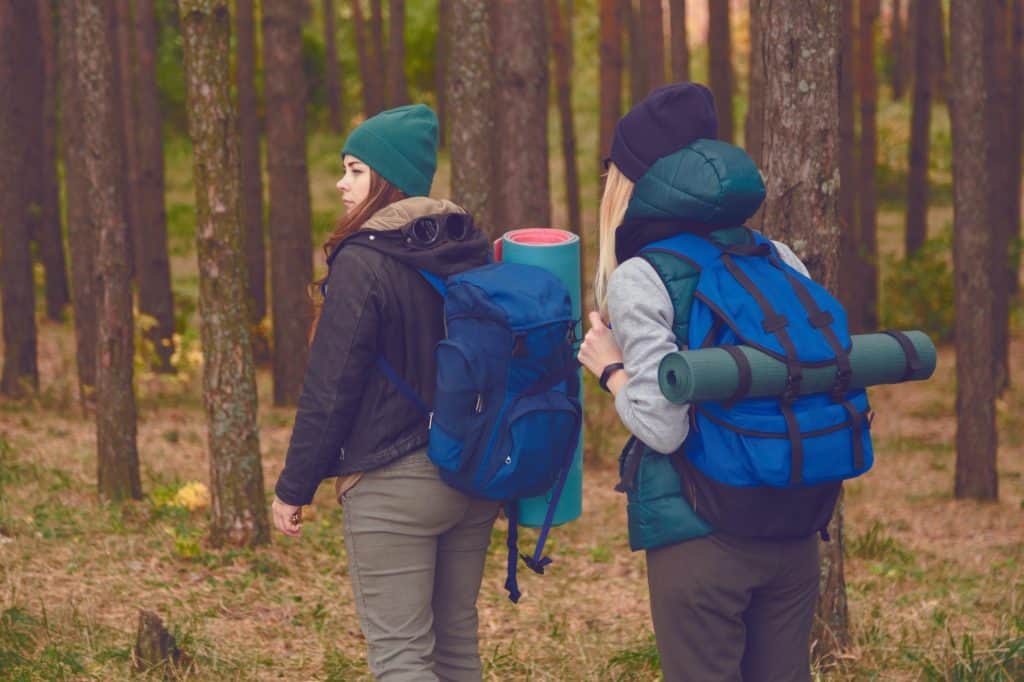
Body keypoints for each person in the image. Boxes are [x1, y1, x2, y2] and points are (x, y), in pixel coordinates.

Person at [578, 83, 823, 681]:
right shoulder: (779, 256)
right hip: (795, 525)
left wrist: (610, 368)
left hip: (700, 535)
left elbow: (663, 427)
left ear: (635, 182)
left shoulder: (644, 275)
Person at [271, 104, 500, 682]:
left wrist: (294, 487)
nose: (341, 185)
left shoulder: (364, 261)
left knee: (401, 657)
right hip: (472, 475)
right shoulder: (466, 249)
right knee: (455, 650)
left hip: (394, 484)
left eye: (353, 170)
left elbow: (330, 385)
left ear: (386, 178)